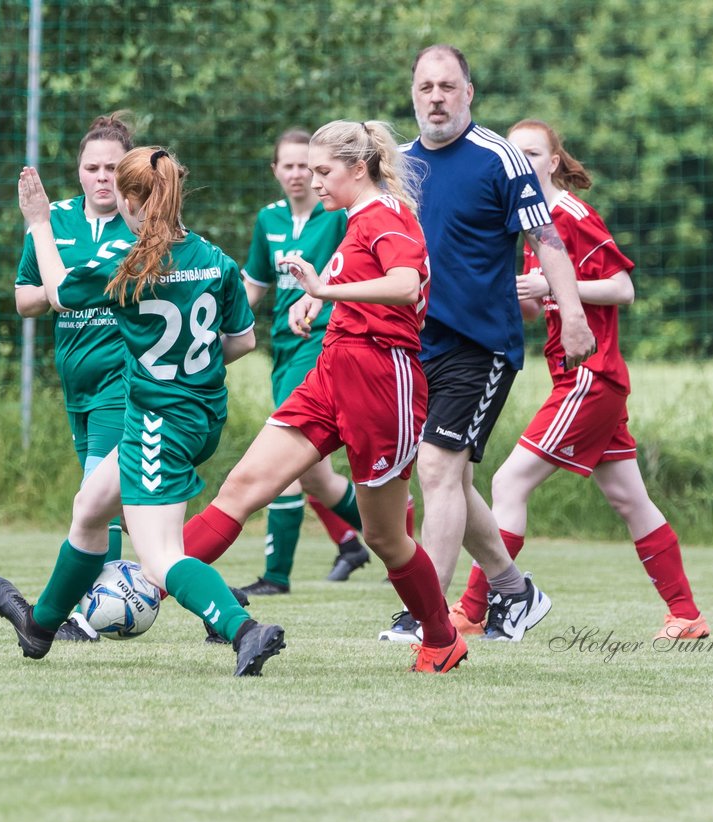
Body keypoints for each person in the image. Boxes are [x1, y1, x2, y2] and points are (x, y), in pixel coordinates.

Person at [182, 119, 482, 673]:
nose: (314, 181)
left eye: (324, 171)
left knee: (385, 538)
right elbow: (361, 287)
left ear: (358, 168)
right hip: (331, 372)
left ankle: (441, 639)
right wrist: (317, 304)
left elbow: (405, 285)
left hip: (381, 378)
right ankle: (144, 586)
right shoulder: (352, 220)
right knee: (243, 488)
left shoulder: (387, 212)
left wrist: (322, 289)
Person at [0, 147, 287, 676]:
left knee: (159, 558)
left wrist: (38, 223)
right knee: (90, 507)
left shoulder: (129, 264)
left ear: (130, 202)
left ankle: (243, 629)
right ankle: (40, 628)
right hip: (200, 415)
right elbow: (241, 341)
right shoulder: (215, 258)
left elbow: (57, 294)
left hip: (158, 423)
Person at [451, 119, 709, 642]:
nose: (521, 161)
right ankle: (686, 616)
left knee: (507, 483)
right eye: (512, 154)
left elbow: (621, 288)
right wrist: (522, 294)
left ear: (552, 161)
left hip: (588, 377)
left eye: (532, 153)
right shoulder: (528, 223)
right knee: (630, 501)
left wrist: (550, 283)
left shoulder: (568, 214)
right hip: (591, 381)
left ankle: (473, 611)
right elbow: (542, 303)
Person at [377, 44, 597, 645]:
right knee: (452, 482)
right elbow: (370, 238)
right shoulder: (396, 165)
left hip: (483, 342)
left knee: (438, 469)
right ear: (413, 93)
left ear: (468, 92)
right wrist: (324, 292)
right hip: (416, 344)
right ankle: (515, 591)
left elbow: (547, 240)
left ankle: (428, 615)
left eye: (448, 86)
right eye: (426, 88)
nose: (436, 98)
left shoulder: (499, 157)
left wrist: (572, 313)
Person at [238, 128, 374, 594]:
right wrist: (214, 318)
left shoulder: (336, 213)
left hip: (322, 341)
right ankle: (391, 535)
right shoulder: (268, 220)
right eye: (289, 165)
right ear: (275, 170)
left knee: (285, 461)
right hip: (283, 345)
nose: (299, 174)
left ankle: (276, 578)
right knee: (318, 478)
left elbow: (355, 270)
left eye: (307, 165)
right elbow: (254, 285)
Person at [13, 113, 132, 635]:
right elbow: (24, 298)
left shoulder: (140, 224)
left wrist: (70, 290)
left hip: (121, 382)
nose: (103, 176)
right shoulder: (54, 220)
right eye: (93, 167)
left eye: (112, 167)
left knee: (94, 501)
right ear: (79, 172)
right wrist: (65, 293)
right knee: (134, 513)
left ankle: (84, 614)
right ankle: (215, 595)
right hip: (76, 387)